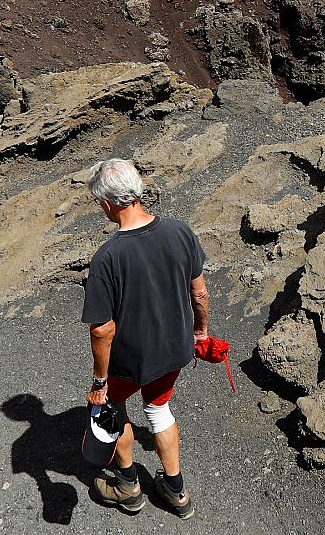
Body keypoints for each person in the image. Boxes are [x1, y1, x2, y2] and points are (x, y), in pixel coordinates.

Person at [82, 159, 208, 519]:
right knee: (158, 409)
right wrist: (199, 333)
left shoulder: (108, 257)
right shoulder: (180, 231)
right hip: (174, 349)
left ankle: (127, 486)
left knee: (112, 408)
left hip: (131, 360)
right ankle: (175, 491)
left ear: (107, 203)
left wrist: (99, 382)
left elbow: (103, 329)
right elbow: (199, 292)